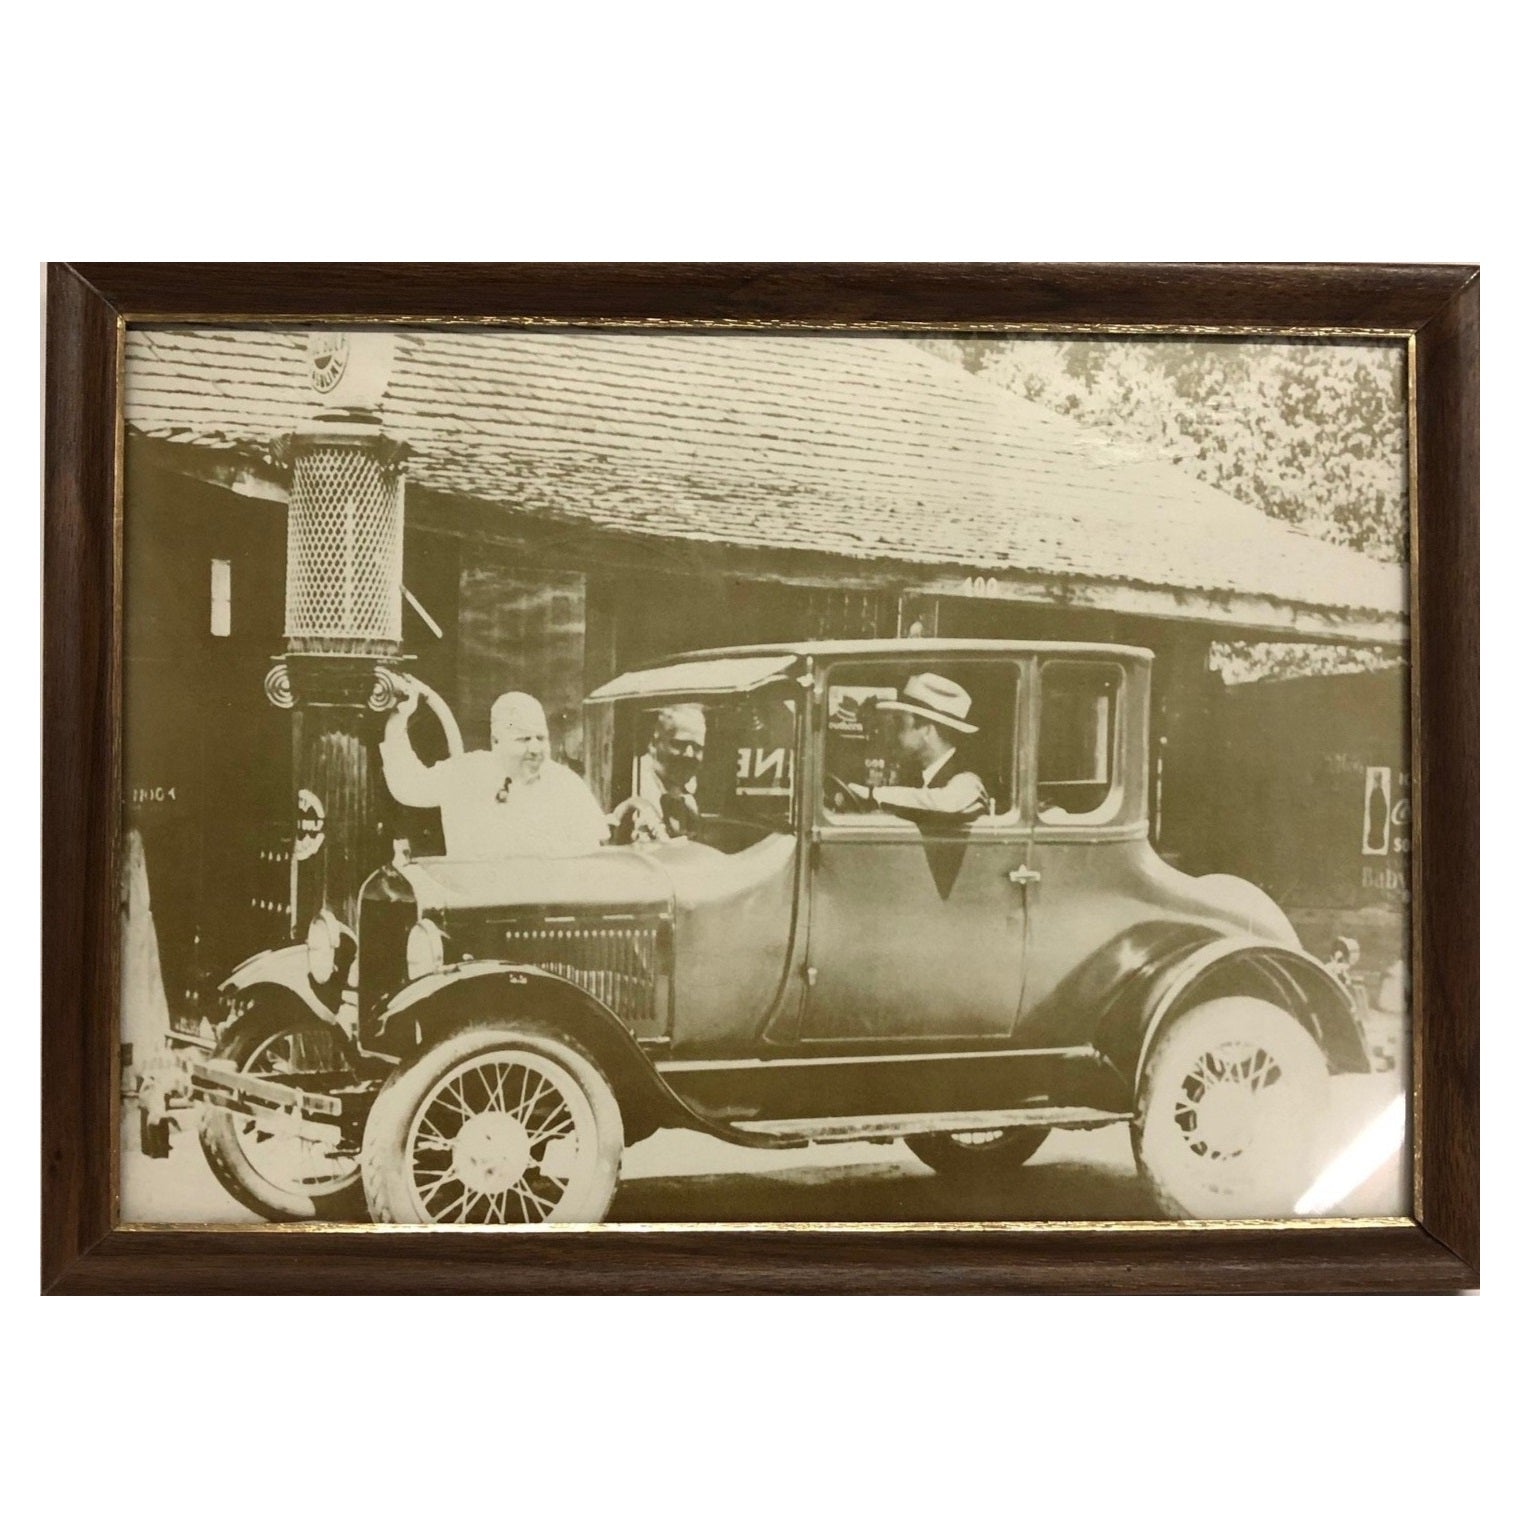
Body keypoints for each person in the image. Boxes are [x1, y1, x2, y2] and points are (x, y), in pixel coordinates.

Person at [381, 684, 610, 860]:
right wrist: (397, 721)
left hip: (544, 910)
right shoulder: (465, 773)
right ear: (496, 741)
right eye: (523, 739)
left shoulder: (565, 784)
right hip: (476, 906)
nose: (535, 749)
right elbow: (408, 786)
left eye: (541, 738)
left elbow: (593, 850)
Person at [833, 673, 991, 823]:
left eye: (900, 725)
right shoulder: (917, 776)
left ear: (926, 730)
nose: (893, 735)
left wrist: (873, 795)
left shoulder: (967, 777)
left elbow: (949, 803)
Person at [613, 702, 707, 842]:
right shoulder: (630, 785)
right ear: (653, 743)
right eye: (679, 744)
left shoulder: (688, 801)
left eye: (697, 747)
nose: (689, 754)